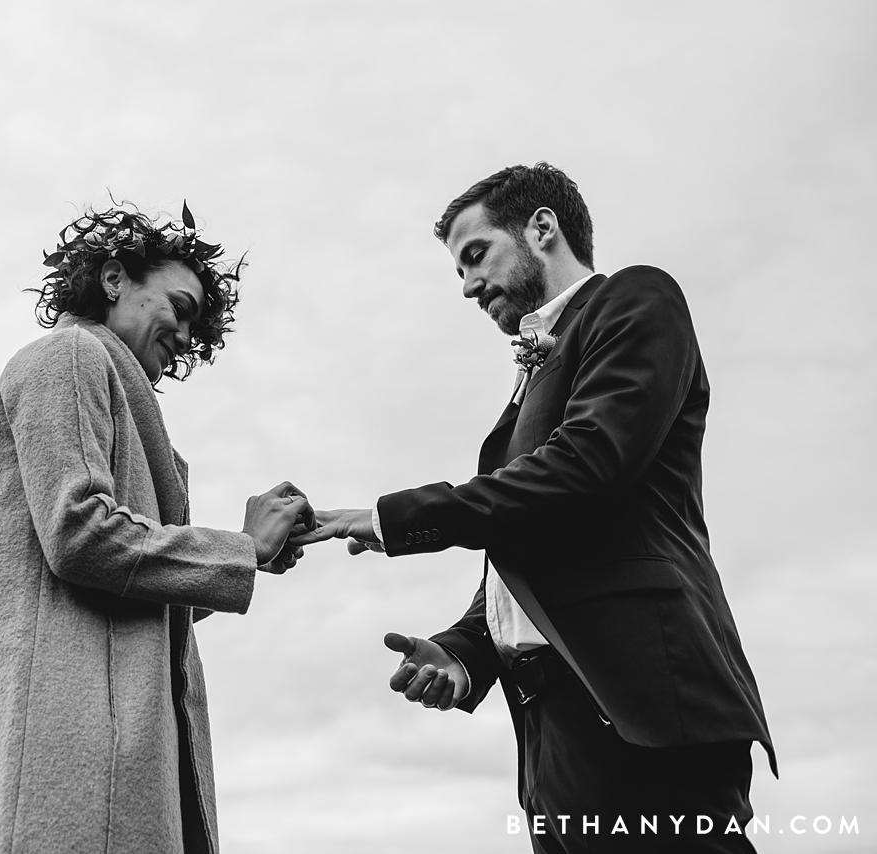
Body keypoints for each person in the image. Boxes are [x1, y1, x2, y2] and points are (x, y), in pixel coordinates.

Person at [297, 163, 774, 852]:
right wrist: (465, 654)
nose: (467, 286)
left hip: (644, 707)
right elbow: (527, 548)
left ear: (541, 228)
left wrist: (381, 517)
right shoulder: (529, 375)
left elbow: (586, 467)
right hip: (552, 734)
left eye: (475, 255)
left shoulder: (635, 299)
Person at [0, 202, 312, 854]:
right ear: (115, 277)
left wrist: (240, 558)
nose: (185, 329)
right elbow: (82, 536)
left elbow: (130, 595)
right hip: (79, 758)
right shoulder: (68, 357)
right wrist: (238, 550)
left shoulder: (106, 387)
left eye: (197, 321)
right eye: (178, 303)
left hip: (102, 749)